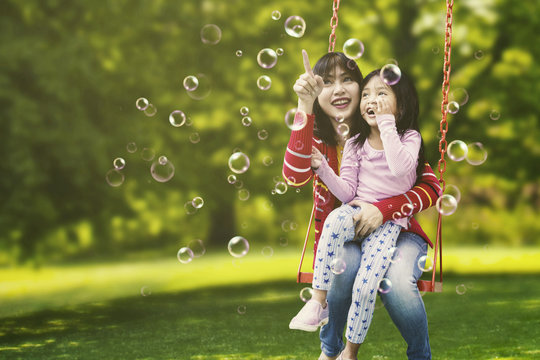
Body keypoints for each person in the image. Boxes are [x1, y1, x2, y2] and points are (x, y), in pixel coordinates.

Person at [282, 50, 441, 360]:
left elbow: (432, 188)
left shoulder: (398, 136)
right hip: (349, 228)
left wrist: (384, 209)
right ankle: (332, 350)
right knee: (344, 266)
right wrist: (304, 105)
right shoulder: (328, 140)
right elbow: (293, 174)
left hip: (397, 228)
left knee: (395, 283)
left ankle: (419, 355)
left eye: (348, 80)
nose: (339, 89)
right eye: (327, 82)